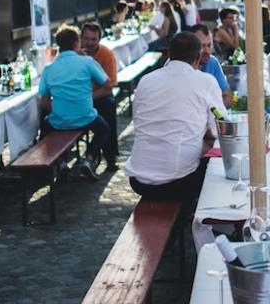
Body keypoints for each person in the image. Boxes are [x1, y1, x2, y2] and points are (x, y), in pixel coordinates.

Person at [125, 32, 222, 201]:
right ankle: (200, 219)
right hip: (178, 180)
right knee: (215, 164)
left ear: (169, 54)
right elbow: (220, 128)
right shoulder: (206, 81)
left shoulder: (146, 80)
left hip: (138, 179)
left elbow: (138, 121)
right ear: (198, 58)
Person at [36, 25, 114, 179]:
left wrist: (61, 108)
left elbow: (44, 103)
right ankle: (89, 158)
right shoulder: (87, 62)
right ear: (77, 43)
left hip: (59, 120)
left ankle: (60, 162)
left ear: (58, 45)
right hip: (86, 116)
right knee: (104, 129)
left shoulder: (48, 69)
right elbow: (108, 85)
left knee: (45, 128)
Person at [80, 22, 121, 170]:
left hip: (97, 95)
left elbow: (109, 88)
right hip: (77, 99)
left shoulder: (106, 55)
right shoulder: (74, 54)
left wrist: (88, 99)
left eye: (93, 39)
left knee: (108, 106)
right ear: (80, 38)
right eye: (86, 39)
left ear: (99, 40)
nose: (89, 43)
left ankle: (110, 156)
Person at [193, 24, 234, 108]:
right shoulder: (178, 63)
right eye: (202, 46)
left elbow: (228, 97)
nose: (207, 51)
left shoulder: (212, 62)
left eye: (209, 45)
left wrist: (211, 110)